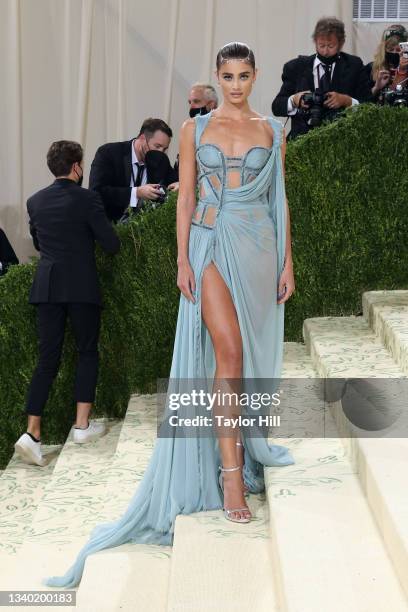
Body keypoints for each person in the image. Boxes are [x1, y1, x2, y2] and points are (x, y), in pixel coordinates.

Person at [44, 42, 295, 589]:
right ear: (216, 76)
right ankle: (230, 478)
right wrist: (181, 256)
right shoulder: (193, 130)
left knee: (241, 356)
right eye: (226, 76)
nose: (235, 85)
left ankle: (234, 452)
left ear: (256, 76)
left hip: (256, 244)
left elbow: (280, 198)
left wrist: (286, 262)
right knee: (226, 350)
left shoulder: (272, 130)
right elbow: (183, 201)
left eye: (244, 76)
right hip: (206, 243)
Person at [14, 141, 120, 467]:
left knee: (47, 359)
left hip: (46, 287)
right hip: (82, 286)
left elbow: (37, 240)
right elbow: (111, 243)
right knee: (87, 351)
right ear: (77, 166)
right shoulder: (88, 198)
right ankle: (82, 426)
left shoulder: (35, 201)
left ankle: (32, 433)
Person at [272, 16, 372, 139]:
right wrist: (294, 100)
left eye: (331, 46)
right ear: (315, 41)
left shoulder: (354, 65)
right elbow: (276, 106)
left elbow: (369, 105)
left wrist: (347, 101)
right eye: (321, 45)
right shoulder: (296, 67)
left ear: (341, 44)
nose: (325, 51)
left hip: (342, 141)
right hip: (302, 141)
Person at [89, 118, 179, 223]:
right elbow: (96, 192)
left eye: (164, 149)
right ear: (142, 138)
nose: (161, 152)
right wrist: (136, 193)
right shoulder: (109, 153)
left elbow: (174, 181)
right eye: (157, 146)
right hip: (109, 229)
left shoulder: (160, 161)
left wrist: (179, 184)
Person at [366, 24, 408, 98]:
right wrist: (376, 87)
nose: (394, 52)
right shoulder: (371, 68)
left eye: (398, 50)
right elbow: (362, 100)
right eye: (390, 49)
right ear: (384, 49)